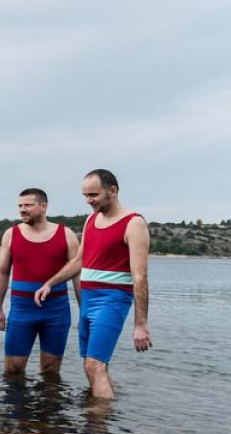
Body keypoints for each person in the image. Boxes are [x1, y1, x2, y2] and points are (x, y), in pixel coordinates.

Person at [35, 170, 152, 399]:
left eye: (93, 195)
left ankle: (97, 420)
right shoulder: (91, 220)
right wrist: (50, 283)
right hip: (88, 300)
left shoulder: (134, 223)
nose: (89, 200)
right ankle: (106, 412)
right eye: (85, 195)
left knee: (94, 365)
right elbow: (79, 262)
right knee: (94, 366)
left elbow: (140, 277)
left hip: (112, 300)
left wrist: (141, 324)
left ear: (113, 191)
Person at [0, 188, 81, 376]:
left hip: (56, 311)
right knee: (13, 369)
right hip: (22, 310)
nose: (22, 209)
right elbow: (2, 272)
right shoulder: (11, 234)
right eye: (20, 206)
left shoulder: (66, 234)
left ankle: (49, 397)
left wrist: (85, 311)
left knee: (51, 370)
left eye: (28, 205)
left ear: (43, 206)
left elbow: (78, 274)